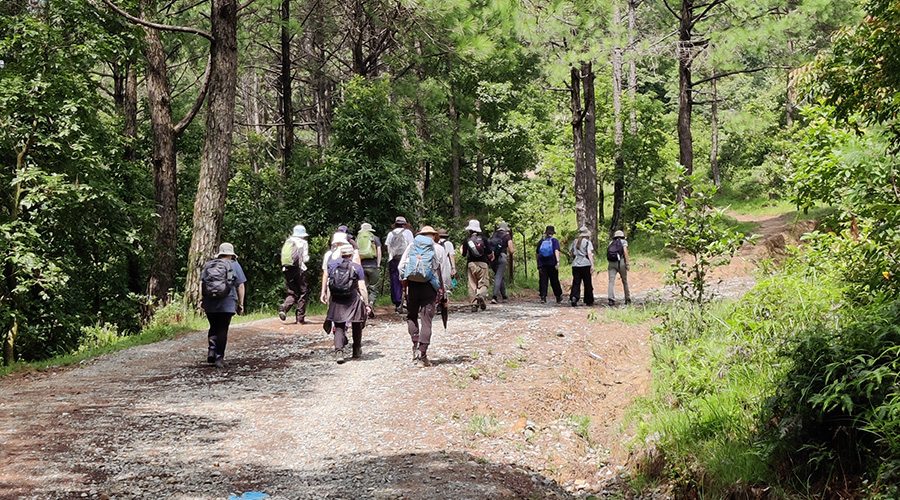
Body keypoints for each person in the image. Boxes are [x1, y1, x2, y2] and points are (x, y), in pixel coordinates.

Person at [399, 226, 451, 367]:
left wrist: (405, 283)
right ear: (434, 236)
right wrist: (445, 290)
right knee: (426, 320)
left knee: (411, 316)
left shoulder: (411, 247)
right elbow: (445, 273)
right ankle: (423, 356)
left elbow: (401, 267)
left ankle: (415, 346)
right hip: (430, 287)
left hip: (413, 286)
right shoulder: (439, 249)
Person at [320, 243, 370, 363]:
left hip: (337, 299)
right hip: (352, 299)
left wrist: (329, 298)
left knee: (339, 325)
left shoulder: (333, 266)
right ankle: (356, 350)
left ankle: (339, 352)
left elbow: (330, 283)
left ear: (341, 254)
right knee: (357, 322)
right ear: (352, 254)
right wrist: (366, 303)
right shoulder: (357, 267)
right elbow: (362, 287)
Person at [199, 242, 247, 369]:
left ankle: (212, 350)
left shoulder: (210, 265)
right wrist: (241, 304)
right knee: (222, 329)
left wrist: (201, 300)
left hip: (210, 301)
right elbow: (241, 285)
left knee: (213, 326)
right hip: (227, 301)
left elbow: (202, 283)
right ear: (231, 254)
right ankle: (219, 358)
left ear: (220, 253)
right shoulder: (234, 265)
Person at [278, 224, 310, 324]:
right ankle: (300, 319)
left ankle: (285, 306)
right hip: (299, 270)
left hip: (287, 269)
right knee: (303, 293)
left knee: (292, 292)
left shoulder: (288, 241)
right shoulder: (303, 243)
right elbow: (305, 258)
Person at [461, 219, 493, 312]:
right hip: (483, 263)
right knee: (483, 283)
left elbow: (463, 254)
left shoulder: (467, 240)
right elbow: (490, 252)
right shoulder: (483, 239)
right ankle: (481, 294)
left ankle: (474, 304)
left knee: (472, 285)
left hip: (471, 264)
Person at [385, 216, 414, 313]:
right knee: (408, 279)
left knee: (395, 281)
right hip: (406, 259)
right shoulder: (408, 233)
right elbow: (412, 245)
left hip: (394, 259)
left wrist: (391, 257)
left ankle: (397, 304)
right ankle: (407, 300)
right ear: (405, 224)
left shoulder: (390, 234)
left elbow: (388, 247)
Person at [356, 222, 382, 318]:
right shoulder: (375, 238)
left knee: (363, 288)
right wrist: (378, 265)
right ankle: (370, 306)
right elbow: (379, 253)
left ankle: (363, 308)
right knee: (374, 288)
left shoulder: (358, 238)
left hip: (361, 266)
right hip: (373, 266)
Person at [568, 226, 595, 307]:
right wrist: (592, 265)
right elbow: (589, 253)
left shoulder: (575, 241)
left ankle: (574, 297)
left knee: (576, 282)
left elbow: (571, 252)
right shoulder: (587, 242)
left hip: (575, 264)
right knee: (587, 283)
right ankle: (588, 299)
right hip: (585, 264)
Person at [489, 222, 515, 303]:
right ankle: (495, 296)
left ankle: (504, 295)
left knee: (499, 276)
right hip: (502, 258)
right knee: (498, 276)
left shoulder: (494, 235)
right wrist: (514, 250)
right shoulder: (507, 236)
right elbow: (511, 250)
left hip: (492, 258)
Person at [536, 225, 563, 303]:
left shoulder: (541, 241)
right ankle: (558, 296)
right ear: (553, 233)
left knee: (543, 280)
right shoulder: (554, 241)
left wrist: (538, 263)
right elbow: (556, 251)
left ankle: (543, 297)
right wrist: (557, 262)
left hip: (542, 264)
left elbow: (537, 252)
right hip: (552, 263)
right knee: (554, 280)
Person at [607, 229, 632, 306]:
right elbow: (625, 252)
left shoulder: (611, 243)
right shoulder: (624, 242)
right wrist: (627, 263)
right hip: (621, 262)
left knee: (611, 281)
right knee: (624, 281)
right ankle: (627, 298)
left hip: (611, 263)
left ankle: (611, 298)